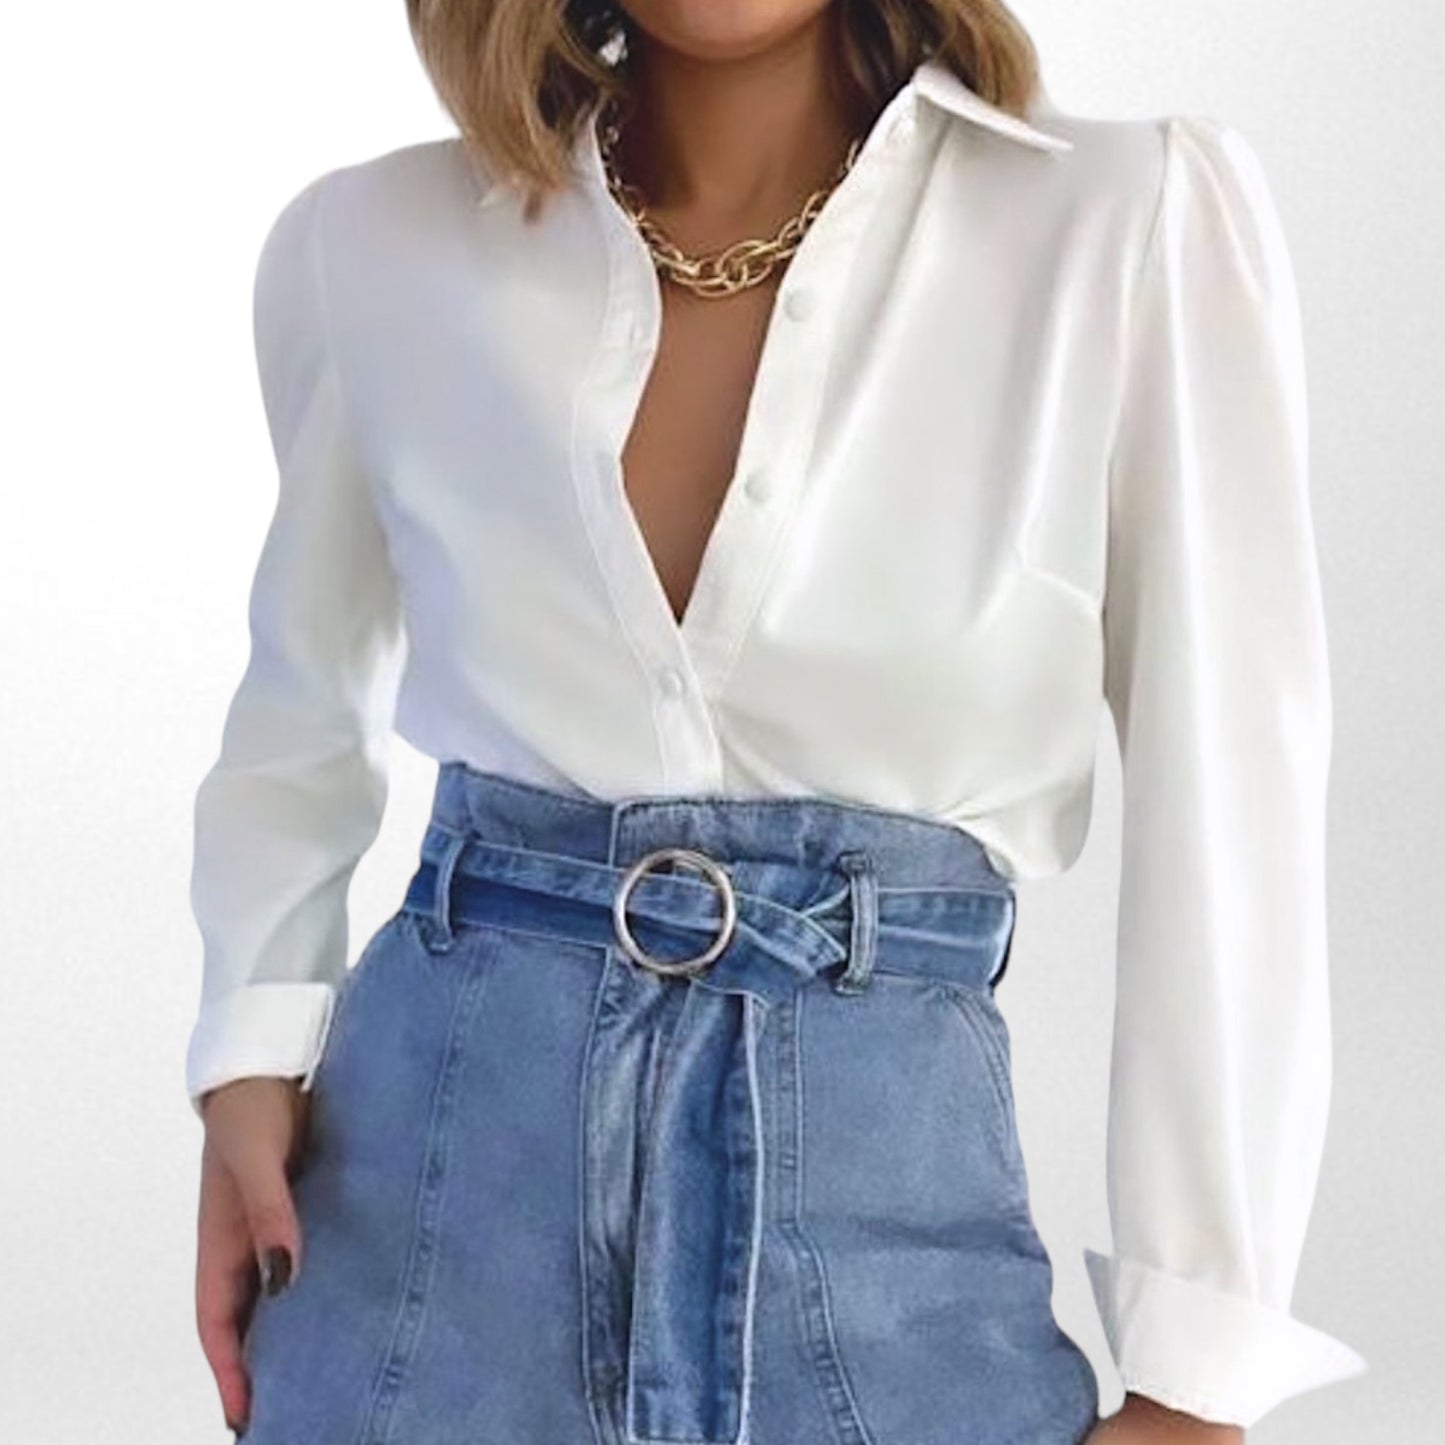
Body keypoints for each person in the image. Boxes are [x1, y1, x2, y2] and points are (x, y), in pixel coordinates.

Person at [186, 1, 1369, 1441]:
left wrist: (1199, 1376)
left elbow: (1230, 802)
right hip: (423, 1264)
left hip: (891, 1297)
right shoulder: (371, 244)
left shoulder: (1121, 222)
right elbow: (297, 696)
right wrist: (249, 1051)